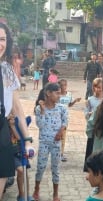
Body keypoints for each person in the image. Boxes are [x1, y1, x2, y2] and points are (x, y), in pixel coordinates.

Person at [0, 22, 32, 199]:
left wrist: (26, 141)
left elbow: (18, 109)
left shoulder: (7, 72)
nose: (0, 44)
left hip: (2, 131)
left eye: (2, 39)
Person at [32, 83, 68, 201]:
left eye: (59, 92)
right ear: (48, 93)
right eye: (57, 93)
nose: (59, 95)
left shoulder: (61, 108)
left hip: (56, 143)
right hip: (44, 143)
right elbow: (40, 125)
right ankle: (36, 188)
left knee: (56, 168)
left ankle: (55, 193)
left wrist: (60, 132)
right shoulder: (39, 108)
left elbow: (65, 121)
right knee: (40, 167)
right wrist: (42, 110)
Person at [7, 112, 33, 201]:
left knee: (24, 172)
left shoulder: (17, 122)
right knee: (20, 170)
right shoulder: (4, 124)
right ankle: (21, 194)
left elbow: (19, 138)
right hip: (11, 153)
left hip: (20, 151)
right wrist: (10, 126)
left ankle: (25, 194)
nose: (11, 115)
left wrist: (13, 125)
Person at [83, 78, 103, 172]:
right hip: (93, 127)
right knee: (91, 146)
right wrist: (90, 114)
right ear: (94, 88)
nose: (100, 89)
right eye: (98, 87)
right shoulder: (90, 100)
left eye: (102, 88)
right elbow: (86, 114)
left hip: (102, 127)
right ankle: (89, 167)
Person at [58, 79, 81, 162]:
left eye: (65, 85)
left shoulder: (69, 95)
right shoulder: (57, 95)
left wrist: (75, 101)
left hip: (65, 119)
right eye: (61, 85)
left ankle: (61, 153)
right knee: (57, 136)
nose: (63, 87)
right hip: (57, 118)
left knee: (63, 137)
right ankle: (56, 152)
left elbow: (69, 105)